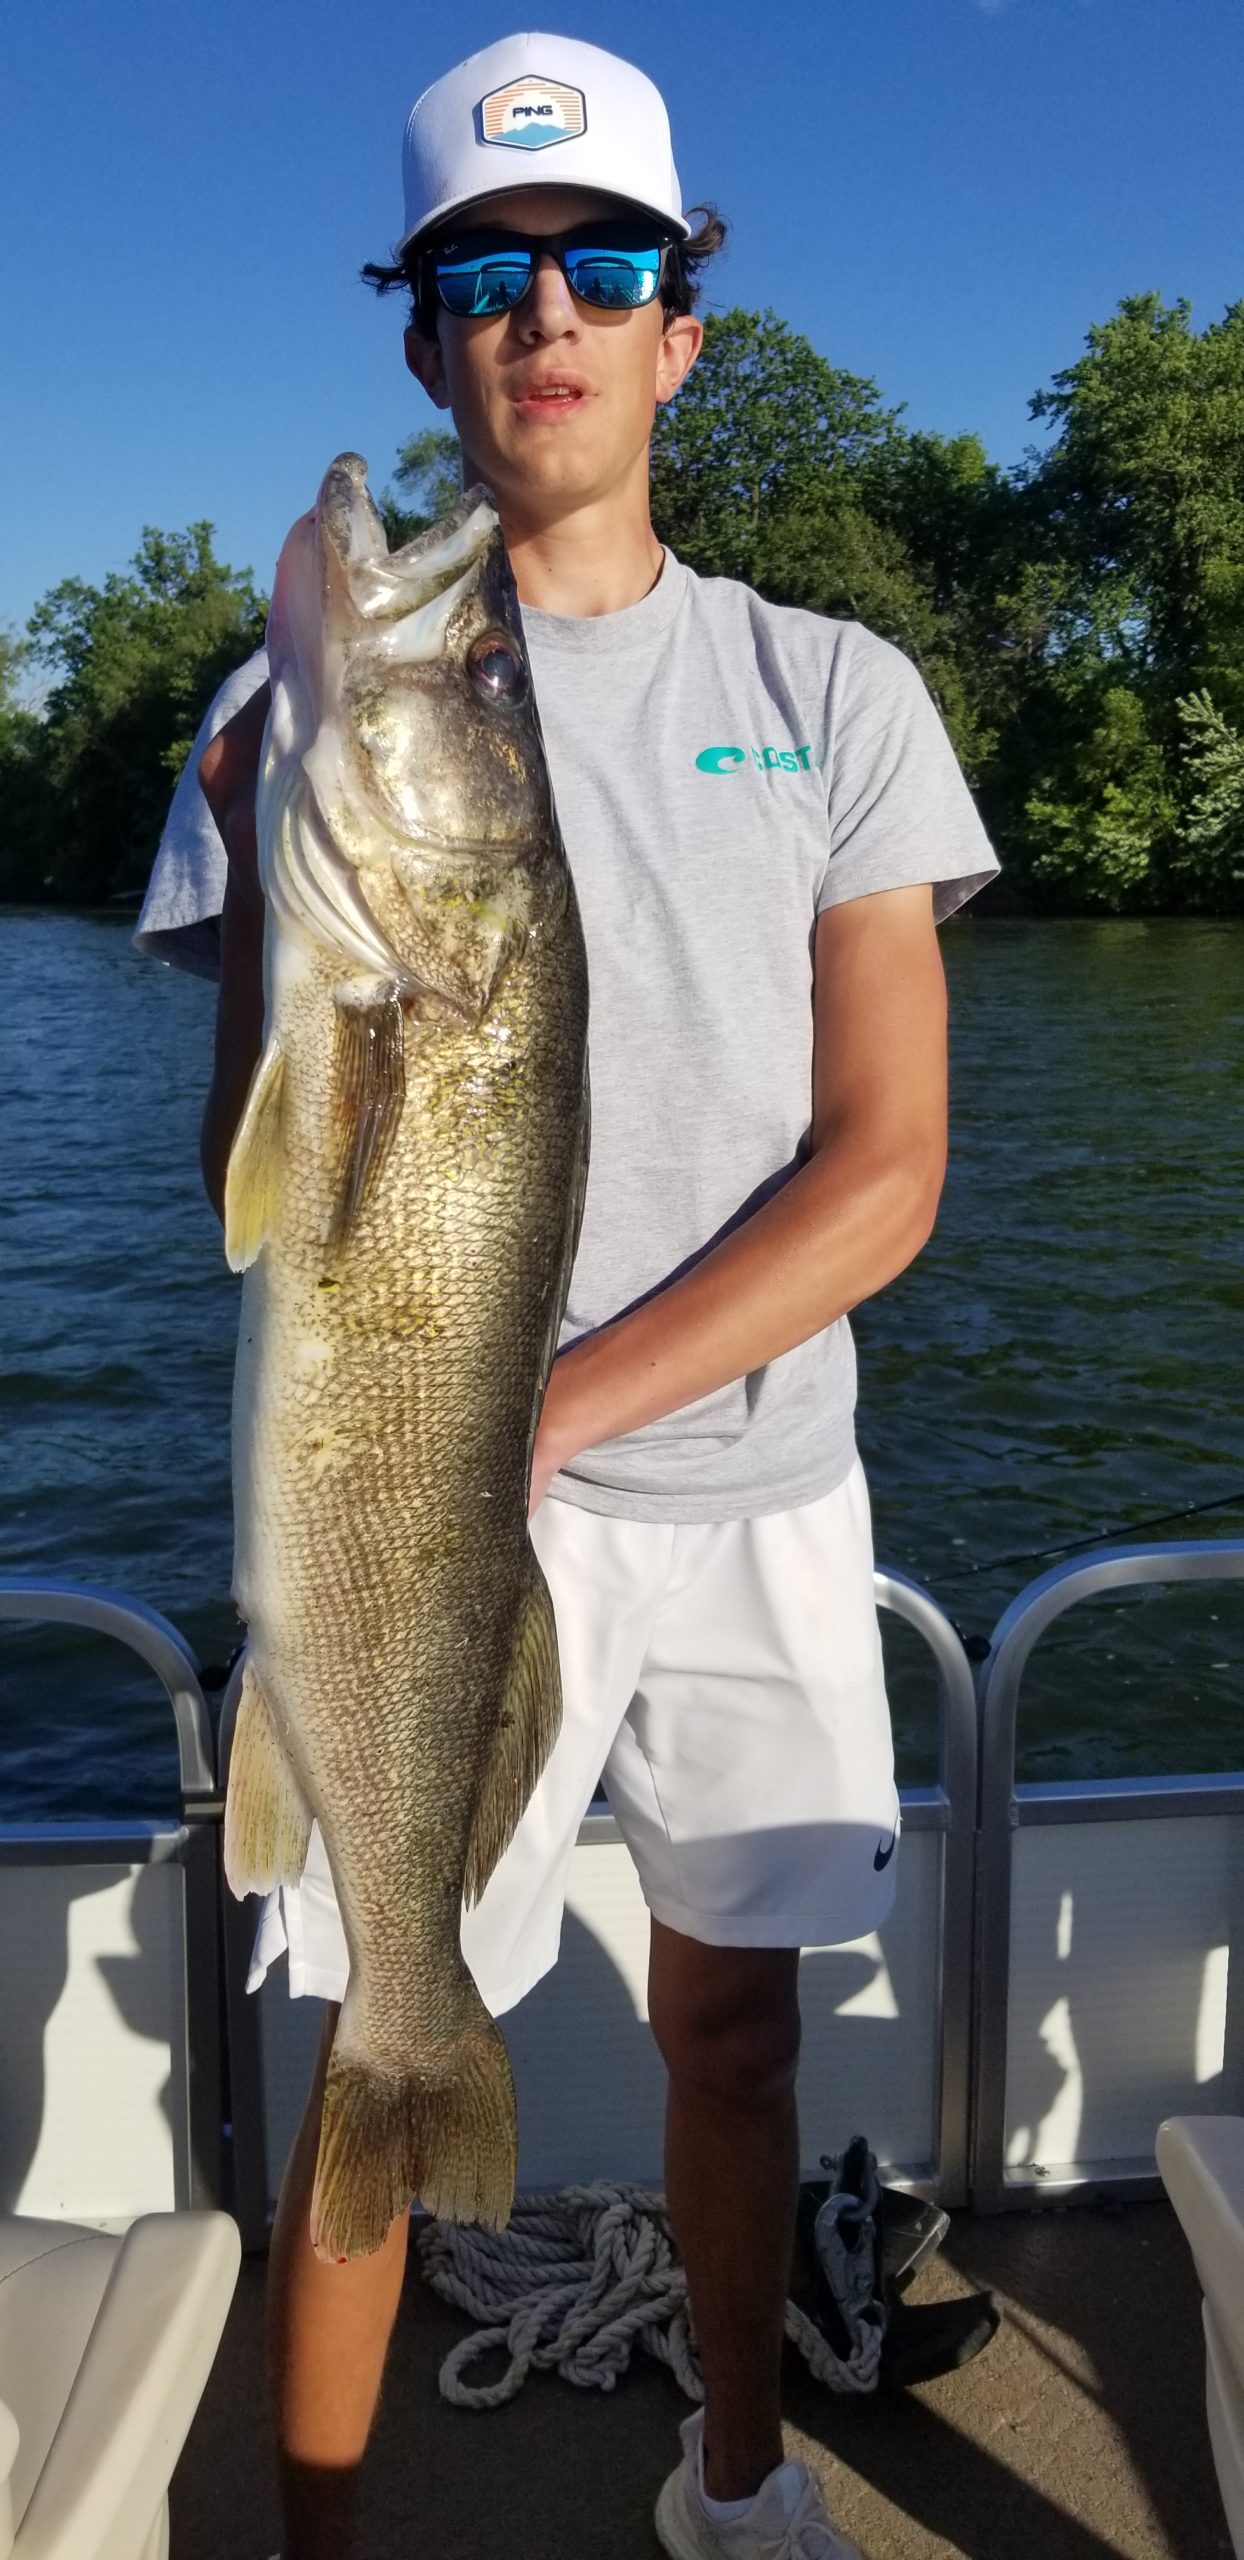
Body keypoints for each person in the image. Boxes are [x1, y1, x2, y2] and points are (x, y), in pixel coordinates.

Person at [137, 31, 999, 2559]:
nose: (548, 314)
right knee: (368, 2040)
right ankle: (319, 2538)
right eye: (485, 276)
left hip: (735, 1481)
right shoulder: (287, 713)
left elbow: (892, 1170)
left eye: (604, 266)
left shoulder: (832, 693)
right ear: (425, 340)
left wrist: (546, 1394)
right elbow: (245, 1187)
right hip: (412, 1512)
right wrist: (262, 881)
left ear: (679, 329)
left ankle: (734, 2487)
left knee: (729, 2029)